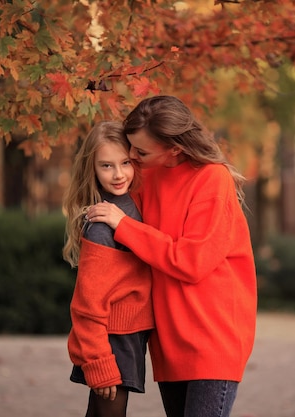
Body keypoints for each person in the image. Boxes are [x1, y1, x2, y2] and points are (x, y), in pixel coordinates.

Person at [86, 96, 257, 417]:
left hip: (212, 339)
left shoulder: (211, 178)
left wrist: (124, 226)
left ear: (174, 149)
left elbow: (192, 262)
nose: (132, 157)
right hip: (167, 340)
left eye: (141, 151)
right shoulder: (145, 175)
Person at [62, 121, 154, 417]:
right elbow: (87, 304)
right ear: (92, 169)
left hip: (129, 334)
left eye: (125, 162)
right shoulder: (102, 225)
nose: (118, 174)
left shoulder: (132, 205)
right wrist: (99, 362)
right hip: (110, 339)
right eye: (106, 166)